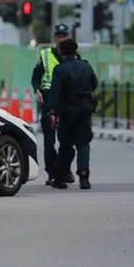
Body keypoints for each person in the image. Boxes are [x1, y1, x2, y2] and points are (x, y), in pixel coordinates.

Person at [46, 38, 97, 190]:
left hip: (67, 110)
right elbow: (94, 83)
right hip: (85, 108)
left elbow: (55, 92)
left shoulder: (60, 70)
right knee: (83, 143)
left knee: (65, 144)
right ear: (76, 51)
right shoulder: (86, 66)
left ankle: (60, 177)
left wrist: (52, 112)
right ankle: (84, 176)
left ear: (61, 53)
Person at [31, 23, 76, 186]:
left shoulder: (74, 54)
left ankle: (65, 169)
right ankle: (52, 172)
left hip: (67, 100)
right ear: (55, 38)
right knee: (49, 139)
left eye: (65, 36)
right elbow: (36, 76)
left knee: (67, 139)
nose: (62, 39)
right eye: (59, 36)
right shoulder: (45, 55)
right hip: (48, 98)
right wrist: (37, 89)